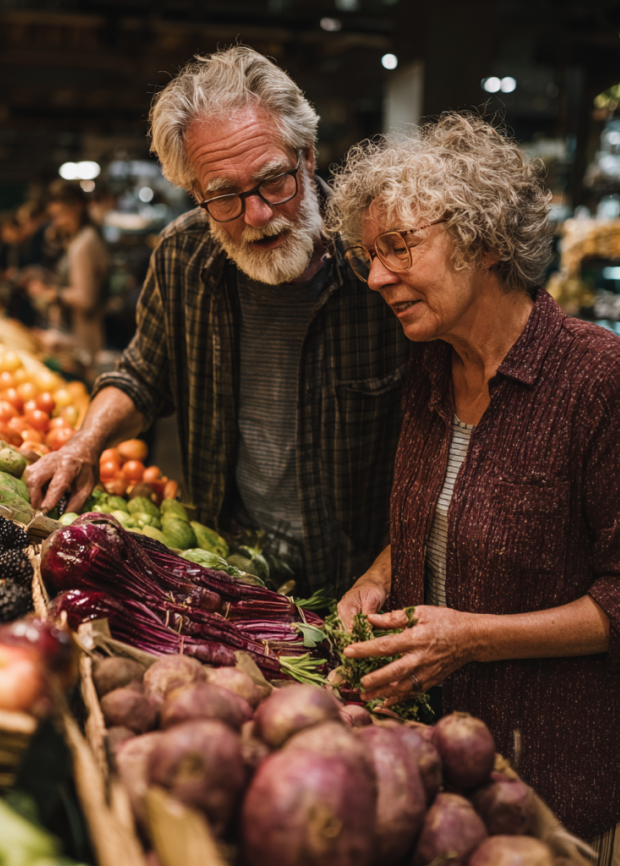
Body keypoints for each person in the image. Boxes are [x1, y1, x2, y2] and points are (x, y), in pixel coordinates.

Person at [329, 113, 620, 860]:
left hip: (569, 770)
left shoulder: (605, 385)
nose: (375, 278)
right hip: (454, 749)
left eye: (399, 247)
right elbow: (440, 513)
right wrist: (379, 576)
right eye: (367, 256)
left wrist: (471, 639)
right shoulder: (431, 368)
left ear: (487, 239)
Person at [24, 46, 411, 593]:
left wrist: (386, 572)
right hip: (225, 564)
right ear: (195, 192)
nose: (258, 215)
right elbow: (141, 377)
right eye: (224, 196)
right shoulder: (184, 255)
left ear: (308, 156)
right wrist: (85, 444)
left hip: (359, 577)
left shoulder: (379, 262)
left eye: (275, 180)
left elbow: (454, 447)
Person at [25, 180, 111, 368]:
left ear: (78, 207)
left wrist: (51, 294)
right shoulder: (80, 239)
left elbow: (85, 297)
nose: (57, 223)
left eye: (60, 215)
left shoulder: (84, 244)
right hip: (74, 340)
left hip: (80, 345)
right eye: (53, 216)